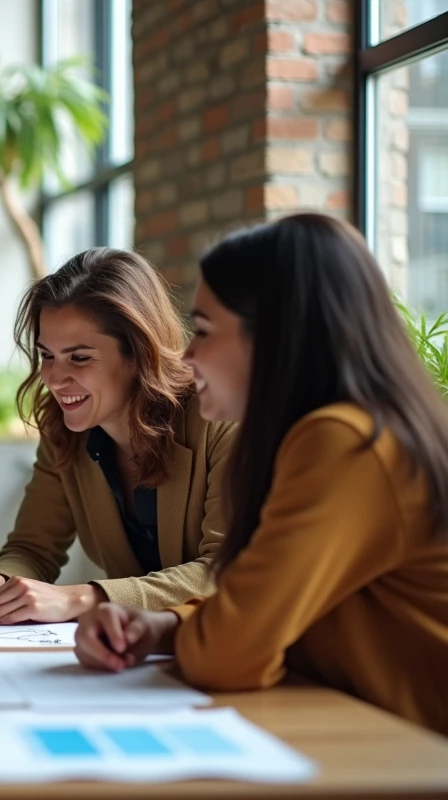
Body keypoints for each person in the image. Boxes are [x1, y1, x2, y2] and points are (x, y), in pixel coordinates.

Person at [75, 214, 448, 736]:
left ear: (275, 335)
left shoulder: (346, 442)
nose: (187, 355)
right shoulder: (338, 433)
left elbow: (228, 655)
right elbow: (256, 604)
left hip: (412, 750)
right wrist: (160, 627)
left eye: (204, 330)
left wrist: (179, 633)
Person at [0, 248, 235, 624]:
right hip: (135, 653)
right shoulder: (64, 430)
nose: (53, 378)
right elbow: (32, 549)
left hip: (228, 650)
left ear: (139, 355)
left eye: (79, 358)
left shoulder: (220, 415)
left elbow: (225, 569)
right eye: (47, 355)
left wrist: (85, 598)